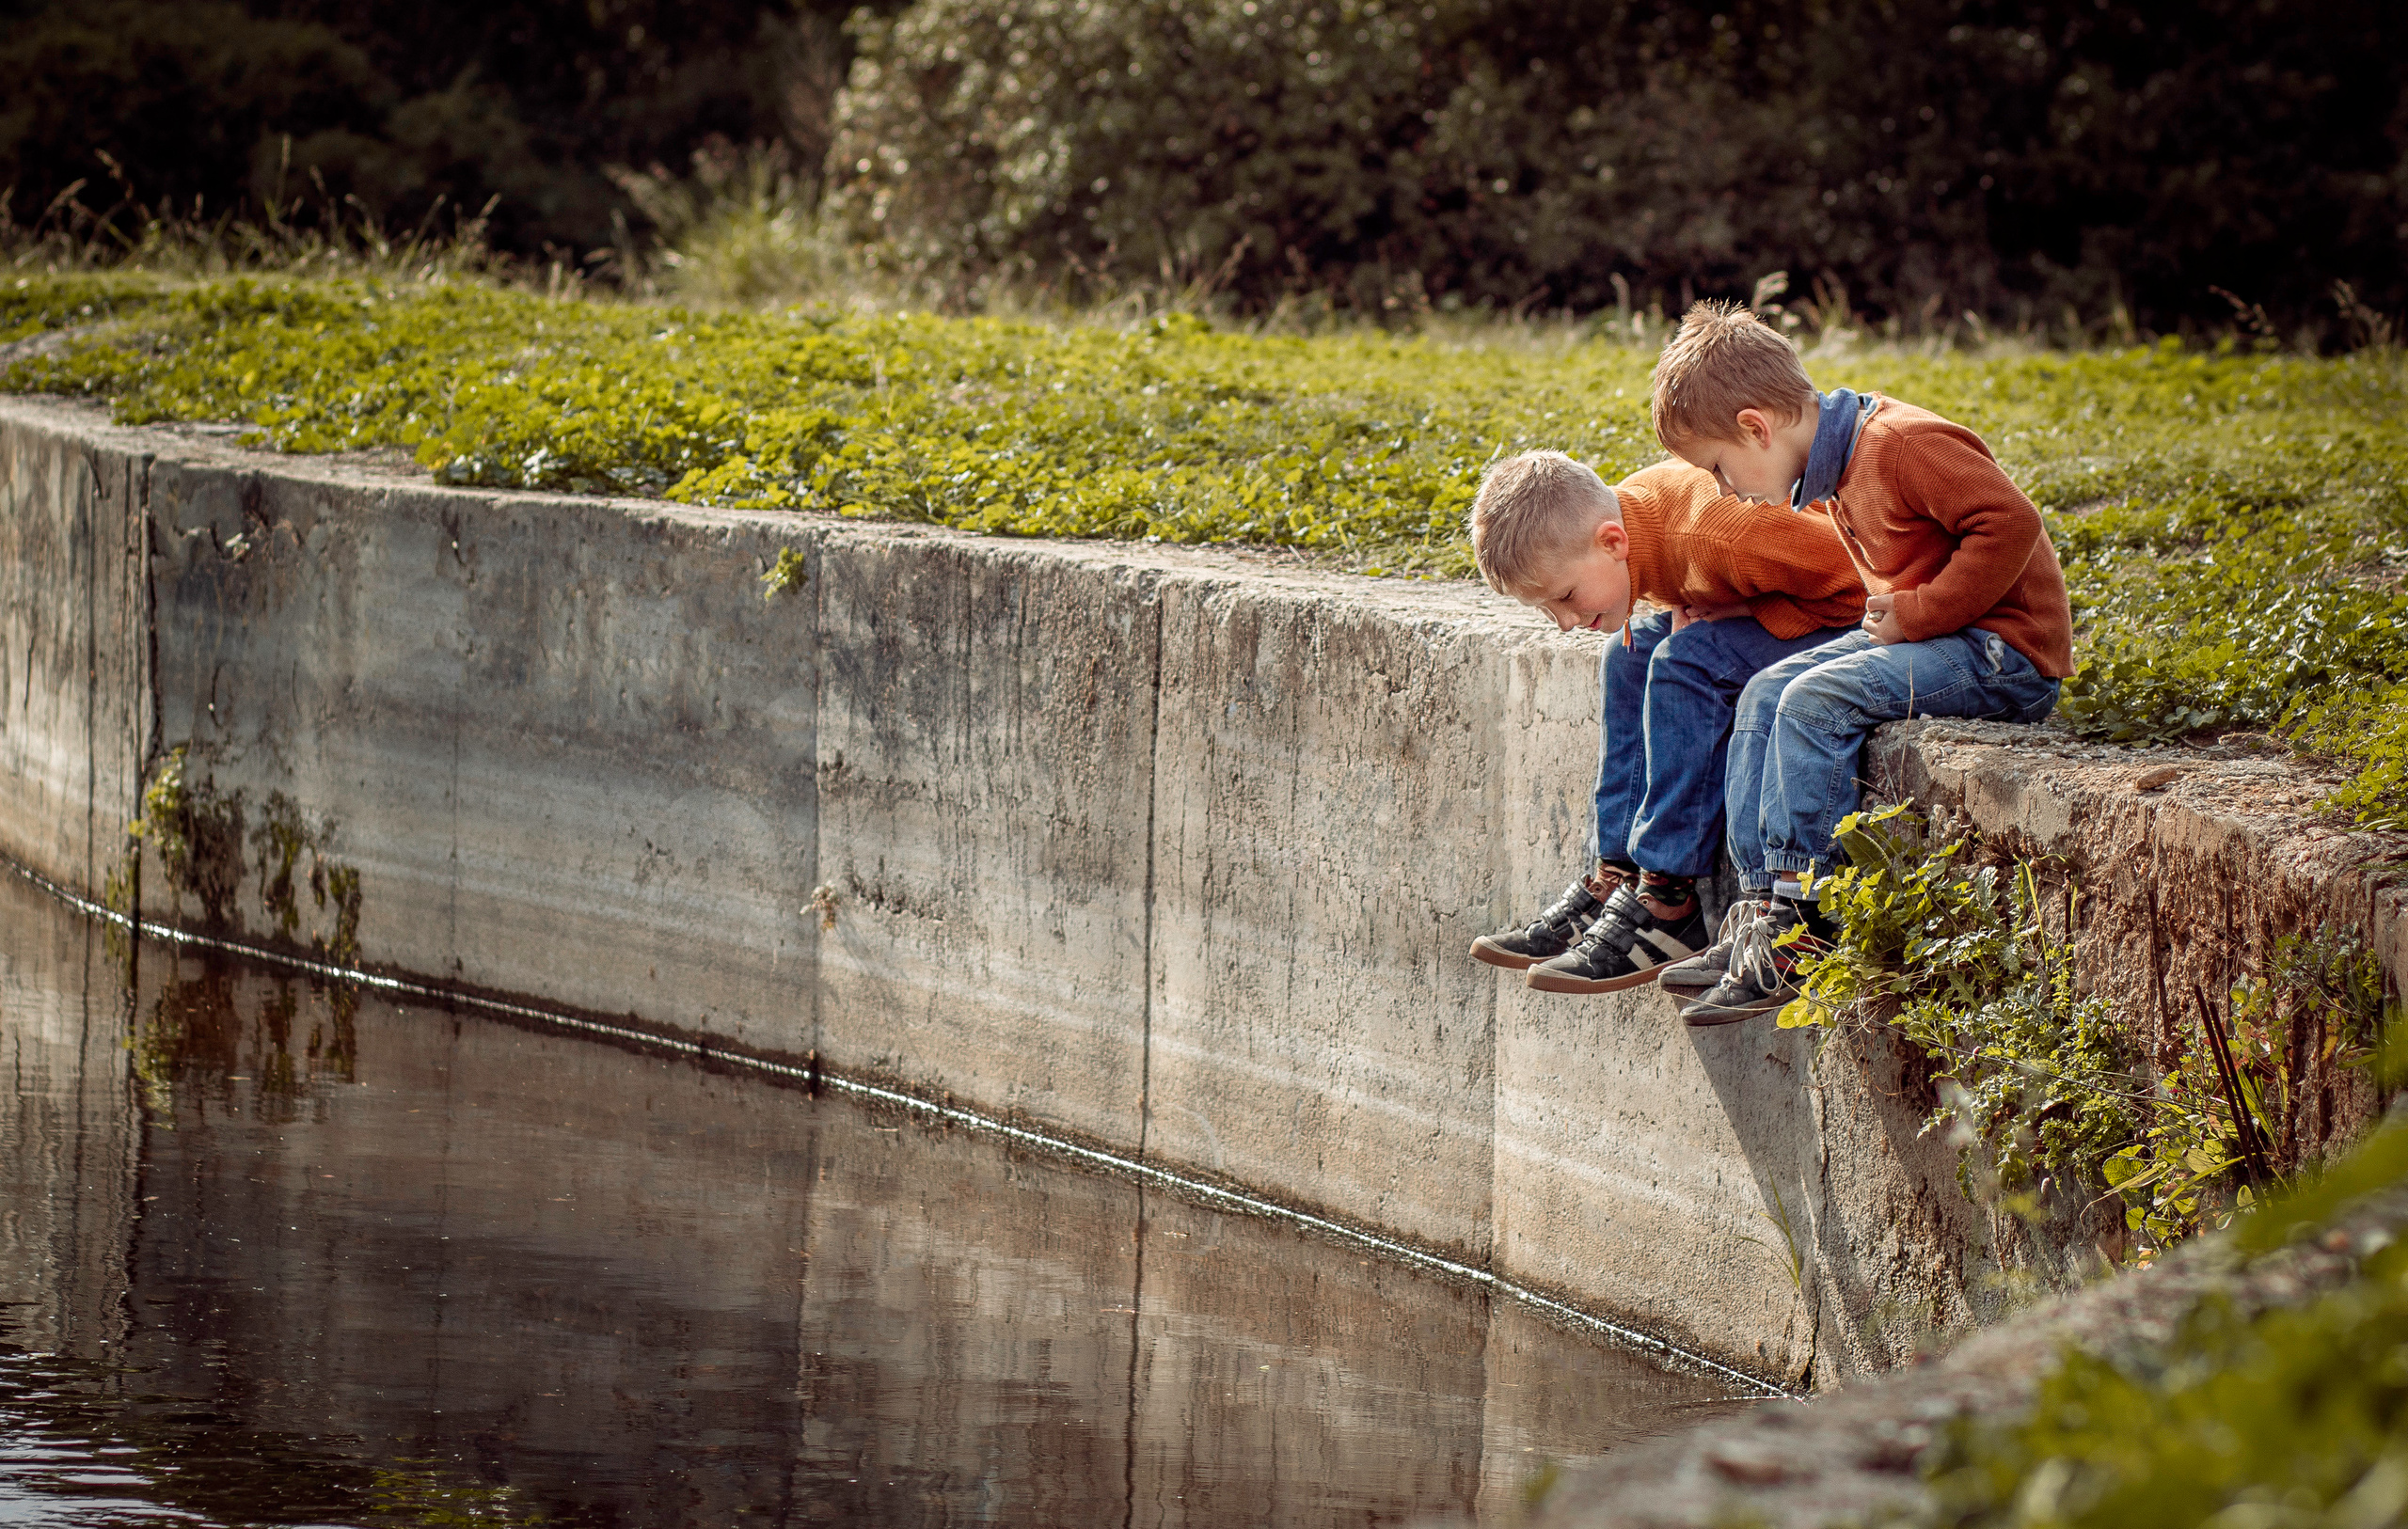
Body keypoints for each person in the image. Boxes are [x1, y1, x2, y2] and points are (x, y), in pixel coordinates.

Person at [1645, 301, 2076, 1024]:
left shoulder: (1900, 444)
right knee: (1765, 692)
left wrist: (1921, 613)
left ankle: (1804, 923)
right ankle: (1760, 909)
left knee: (1813, 702)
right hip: (1934, 637)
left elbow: (2010, 522)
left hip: (2004, 652)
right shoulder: (1834, 463)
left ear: (1756, 427)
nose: (1721, 489)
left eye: (1718, 468)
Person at [1465, 451, 1863, 994]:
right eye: (1547, 610)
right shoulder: (1624, 521)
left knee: (1687, 662)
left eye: (1565, 597)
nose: (1563, 623)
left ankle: (1666, 899)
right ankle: (1616, 877)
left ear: (1612, 542)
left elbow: (1861, 575)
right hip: (1787, 593)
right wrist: (1702, 599)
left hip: (1857, 615)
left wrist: (1750, 611)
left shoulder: (1722, 532)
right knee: (1626, 654)